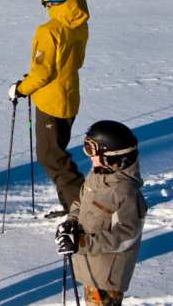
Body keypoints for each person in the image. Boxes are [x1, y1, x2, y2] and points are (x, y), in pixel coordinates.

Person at [7, 0, 89, 215]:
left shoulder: (50, 30)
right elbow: (74, 61)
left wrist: (21, 89)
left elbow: (44, 72)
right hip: (69, 94)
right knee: (56, 152)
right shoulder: (78, 23)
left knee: (51, 156)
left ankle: (82, 207)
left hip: (51, 101)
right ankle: (72, 205)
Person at [56, 120, 148, 306]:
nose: (89, 156)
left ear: (111, 156)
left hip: (107, 275)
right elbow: (79, 203)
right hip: (90, 264)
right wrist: (71, 223)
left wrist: (81, 242)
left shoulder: (125, 192)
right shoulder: (98, 176)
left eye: (91, 151)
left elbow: (126, 237)